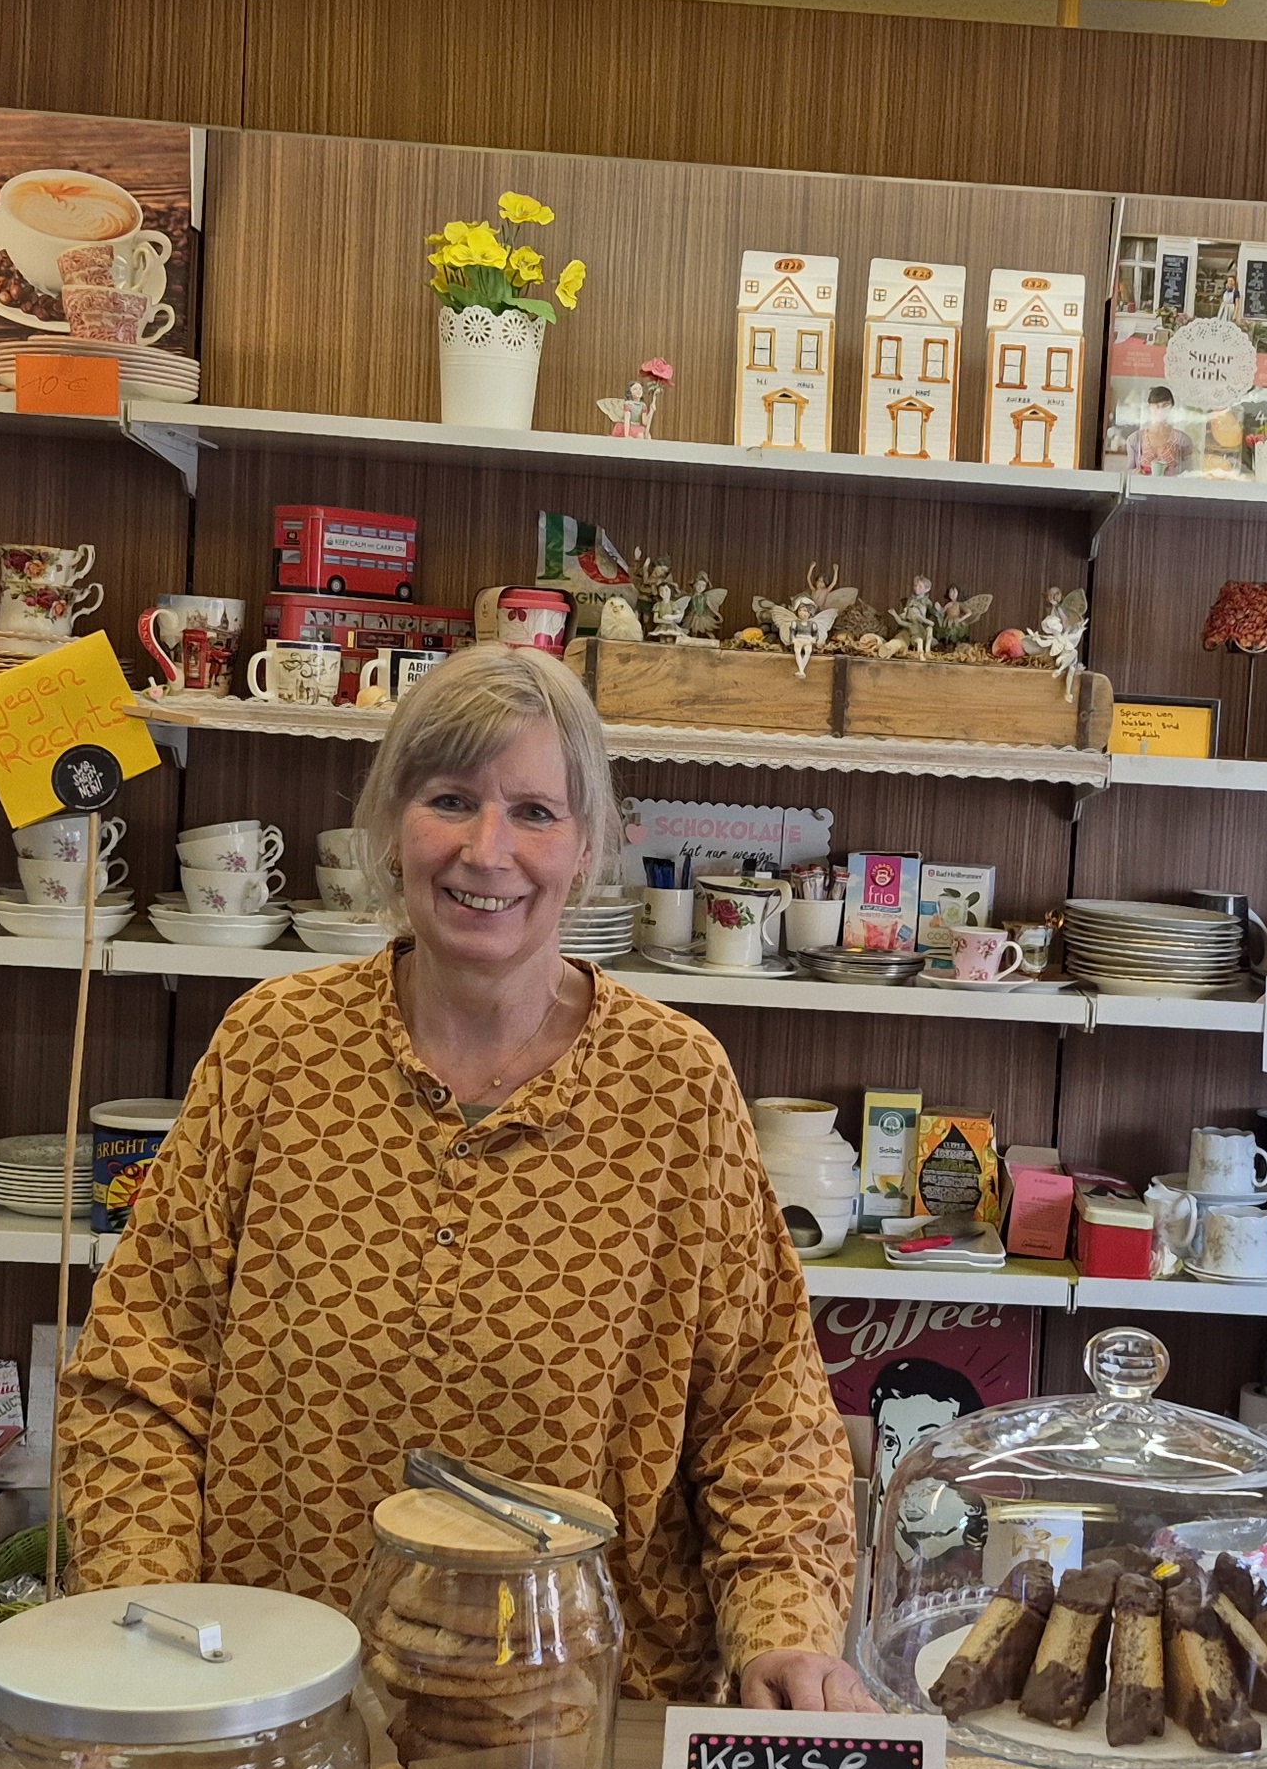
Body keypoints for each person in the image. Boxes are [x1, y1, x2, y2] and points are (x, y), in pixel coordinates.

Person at [56, 645, 871, 1711]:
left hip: (578, 1722)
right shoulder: (275, 1049)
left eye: (534, 811)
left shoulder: (674, 1083)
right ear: (391, 827)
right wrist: (155, 1628)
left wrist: (783, 1632)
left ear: (588, 849)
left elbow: (764, 1408)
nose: (488, 852)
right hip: (275, 1705)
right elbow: (138, 1377)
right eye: (450, 800)